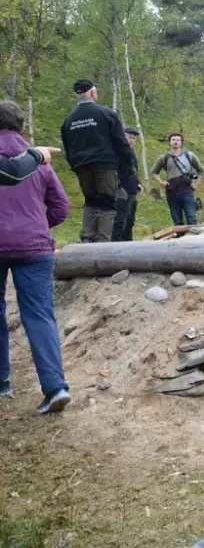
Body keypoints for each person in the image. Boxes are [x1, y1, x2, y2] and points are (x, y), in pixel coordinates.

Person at [0, 100, 72, 414]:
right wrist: (40, 224)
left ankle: (2, 381)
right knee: (40, 316)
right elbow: (61, 207)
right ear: (21, 126)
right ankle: (55, 388)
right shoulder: (39, 159)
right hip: (35, 246)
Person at [60, 79, 132, 242]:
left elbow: (67, 149)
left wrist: (75, 166)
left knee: (90, 200)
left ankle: (87, 237)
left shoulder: (68, 121)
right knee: (107, 201)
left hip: (81, 166)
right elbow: (121, 143)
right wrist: (127, 165)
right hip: (105, 165)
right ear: (92, 93)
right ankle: (102, 242)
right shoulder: (105, 113)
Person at [152, 132, 203, 226]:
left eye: (178, 140)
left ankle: (194, 240)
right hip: (172, 192)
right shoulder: (164, 157)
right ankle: (180, 240)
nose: (176, 142)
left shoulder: (189, 156)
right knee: (178, 222)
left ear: (181, 142)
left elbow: (200, 170)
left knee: (192, 219)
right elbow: (154, 172)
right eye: (173, 140)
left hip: (187, 191)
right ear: (169, 142)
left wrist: (196, 184)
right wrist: (162, 182)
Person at [112, 127, 142, 242]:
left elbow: (132, 171)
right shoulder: (116, 151)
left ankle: (128, 243)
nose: (131, 140)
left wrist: (138, 183)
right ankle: (116, 243)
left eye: (134, 138)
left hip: (132, 190)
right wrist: (118, 186)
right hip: (120, 190)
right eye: (129, 137)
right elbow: (113, 171)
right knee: (119, 219)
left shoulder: (132, 152)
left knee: (130, 219)